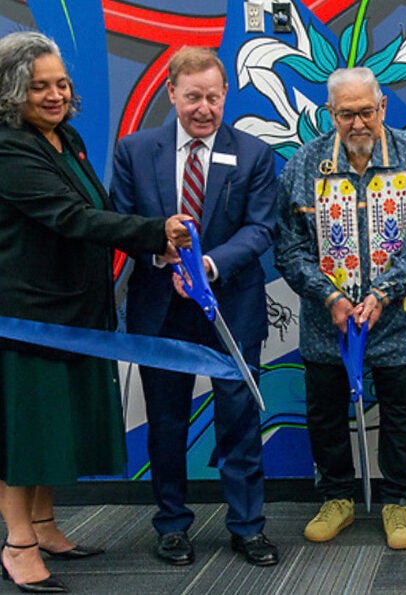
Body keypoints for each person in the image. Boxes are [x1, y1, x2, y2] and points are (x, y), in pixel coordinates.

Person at [0, 31, 191, 593]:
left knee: (55, 432)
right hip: (27, 317)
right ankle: (17, 545)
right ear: (13, 91)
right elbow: (68, 217)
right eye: (40, 87)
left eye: (61, 83)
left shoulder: (67, 138)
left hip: (76, 313)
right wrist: (158, 229)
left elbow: (100, 209)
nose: (56, 95)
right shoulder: (8, 148)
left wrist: (153, 247)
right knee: (25, 436)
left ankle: (44, 524)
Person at [111, 47, 279, 567]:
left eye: (212, 97)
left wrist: (206, 266)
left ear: (225, 94)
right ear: (171, 94)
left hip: (231, 306)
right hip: (161, 307)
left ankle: (247, 527)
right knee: (165, 422)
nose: (203, 108)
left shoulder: (253, 154)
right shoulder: (135, 151)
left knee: (239, 419)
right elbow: (120, 219)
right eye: (192, 98)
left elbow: (261, 229)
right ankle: (171, 525)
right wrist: (162, 252)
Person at [274, 67, 406, 550]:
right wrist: (329, 296)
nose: (357, 123)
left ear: (382, 108)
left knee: (400, 413)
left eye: (366, 112)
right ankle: (337, 498)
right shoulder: (303, 166)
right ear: (331, 113)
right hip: (326, 322)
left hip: (397, 319)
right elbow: (287, 247)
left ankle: (397, 502)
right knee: (326, 414)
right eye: (346, 113)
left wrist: (384, 291)